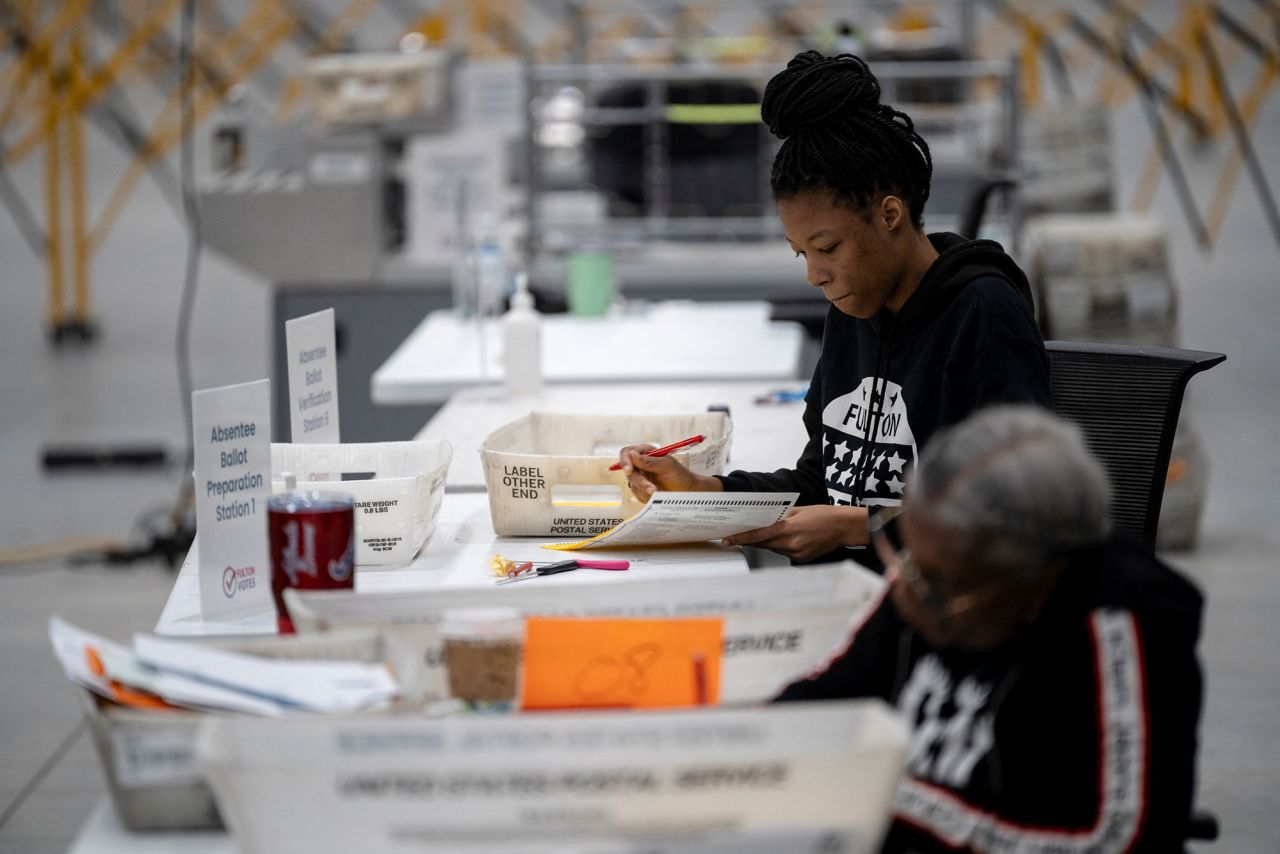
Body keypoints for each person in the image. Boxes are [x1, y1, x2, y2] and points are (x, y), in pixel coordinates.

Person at [618, 52, 1051, 564]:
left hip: (945, 612)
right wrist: (705, 489)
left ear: (890, 214)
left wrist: (859, 528)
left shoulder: (984, 314)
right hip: (853, 595)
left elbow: (1019, 513)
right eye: (803, 253)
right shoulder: (853, 310)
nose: (814, 274)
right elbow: (823, 483)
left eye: (828, 248)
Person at [776, 406, 1205, 853]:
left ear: (1039, 576)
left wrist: (881, 796)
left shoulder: (1120, 627)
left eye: (947, 583)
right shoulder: (929, 575)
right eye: (908, 559)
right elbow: (826, 692)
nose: (910, 592)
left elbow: (1114, 840)